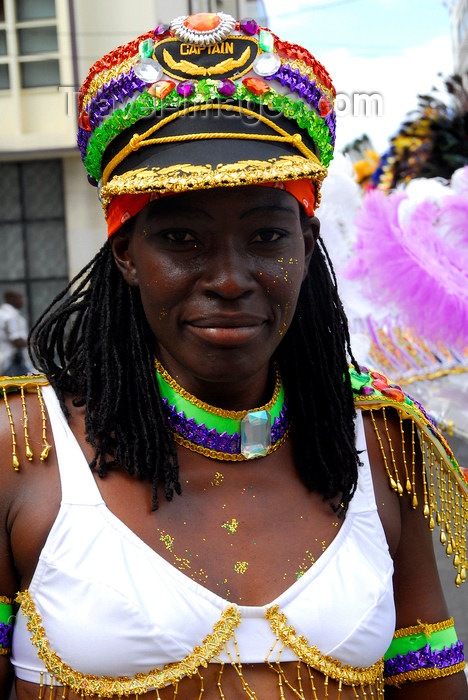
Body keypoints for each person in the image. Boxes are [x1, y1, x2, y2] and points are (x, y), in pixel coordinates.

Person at [0, 13, 467, 700]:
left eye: (266, 236)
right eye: (183, 238)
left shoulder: (377, 446)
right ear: (127, 255)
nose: (228, 278)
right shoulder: (25, 450)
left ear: (307, 246)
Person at [0, 291, 29, 377]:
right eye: (20, 298)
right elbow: (16, 340)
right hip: (13, 362)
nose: (22, 301)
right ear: (11, 299)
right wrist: (32, 343)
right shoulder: (11, 316)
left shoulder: (2, 313)